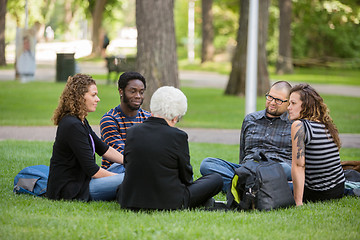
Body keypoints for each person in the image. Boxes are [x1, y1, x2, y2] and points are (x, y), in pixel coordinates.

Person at [117, 86, 223, 210]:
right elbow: (187, 178)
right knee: (216, 179)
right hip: (169, 201)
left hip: (130, 199)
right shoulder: (178, 136)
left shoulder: (132, 132)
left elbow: (127, 164)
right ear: (175, 117)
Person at [200, 81, 293, 192]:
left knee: (287, 169)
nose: (272, 102)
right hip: (248, 169)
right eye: (270, 97)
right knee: (207, 164)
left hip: (275, 170)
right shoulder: (251, 119)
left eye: (278, 100)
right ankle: (255, 189)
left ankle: (241, 188)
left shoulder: (294, 124)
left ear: (288, 103)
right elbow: (243, 153)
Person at [47, 74, 125, 201]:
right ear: (80, 97)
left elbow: (104, 149)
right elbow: (93, 170)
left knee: (129, 167)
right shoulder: (72, 125)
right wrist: (120, 179)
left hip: (85, 180)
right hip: (73, 189)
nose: (98, 99)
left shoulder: (81, 120)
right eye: (93, 95)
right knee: (130, 177)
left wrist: (130, 161)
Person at [288, 83, 345, 206]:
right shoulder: (325, 123)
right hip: (338, 188)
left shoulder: (299, 126)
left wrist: (298, 202)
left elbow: (299, 165)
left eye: (293, 103)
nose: (288, 107)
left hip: (318, 193)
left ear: (306, 105)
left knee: (275, 180)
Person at [100, 72, 151, 173]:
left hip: (142, 167)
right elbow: (125, 155)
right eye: (132, 91)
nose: (138, 96)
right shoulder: (110, 120)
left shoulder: (149, 119)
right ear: (121, 91)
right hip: (116, 171)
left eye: (141, 92)